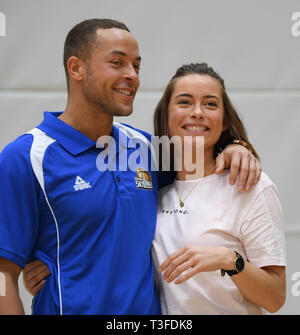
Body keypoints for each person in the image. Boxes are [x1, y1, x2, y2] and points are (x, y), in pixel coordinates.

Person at [0, 19, 260, 315]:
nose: (132, 76)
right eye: (117, 63)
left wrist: (237, 147)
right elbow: (3, 273)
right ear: (76, 68)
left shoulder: (149, 149)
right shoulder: (25, 157)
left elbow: (202, 155)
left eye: (136, 66)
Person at [151, 63, 286, 314]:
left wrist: (229, 260)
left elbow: (275, 297)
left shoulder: (250, 186)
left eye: (211, 104)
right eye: (184, 102)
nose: (198, 112)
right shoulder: (153, 191)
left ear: (224, 122)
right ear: (166, 116)